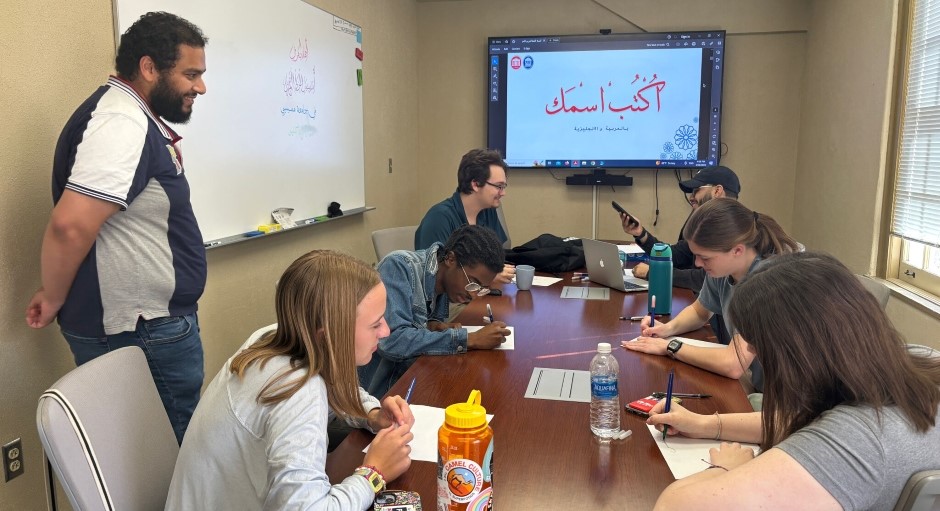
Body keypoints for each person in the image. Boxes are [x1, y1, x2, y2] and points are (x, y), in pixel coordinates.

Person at [25, 12, 209, 443]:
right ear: (149, 68)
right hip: (141, 331)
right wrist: (52, 296)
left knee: (158, 457)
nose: (200, 87)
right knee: (169, 463)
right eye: (191, 74)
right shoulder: (122, 122)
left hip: (148, 327)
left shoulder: (130, 116)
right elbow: (71, 225)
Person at [651, 252, 940, 510]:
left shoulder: (854, 441)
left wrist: (728, 470)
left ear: (794, 350)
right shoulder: (921, 360)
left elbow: (672, 505)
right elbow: (800, 419)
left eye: (756, 343)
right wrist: (705, 425)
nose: (751, 351)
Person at [166, 250, 415, 510]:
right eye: (375, 324)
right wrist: (374, 474)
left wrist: (371, 413)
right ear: (327, 336)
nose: (386, 331)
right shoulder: (297, 393)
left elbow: (336, 388)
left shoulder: (274, 336)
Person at [622, 198, 801, 392]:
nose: (698, 263)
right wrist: (667, 330)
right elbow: (700, 311)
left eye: (704, 257)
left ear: (737, 250)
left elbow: (733, 364)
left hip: (792, 400)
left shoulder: (765, 283)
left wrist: (670, 347)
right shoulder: (724, 269)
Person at [359, 225, 511, 397]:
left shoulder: (443, 283)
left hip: (415, 381)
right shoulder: (399, 266)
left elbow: (413, 326)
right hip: (379, 398)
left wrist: (432, 327)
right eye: (473, 283)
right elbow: (392, 341)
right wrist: (470, 339)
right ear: (451, 259)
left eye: (482, 288)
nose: (474, 295)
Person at [620, 165, 741, 291]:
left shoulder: (734, 230)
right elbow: (675, 255)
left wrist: (655, 273)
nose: (691, 197)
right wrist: (640, 234)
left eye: (696, 190)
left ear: (717, 191)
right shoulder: (706, 226)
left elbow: (704, 280)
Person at [415, 148, 515, 284]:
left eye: (504, 187)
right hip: (449, 302)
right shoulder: (439, 218)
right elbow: (435, 277)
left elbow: (496, 260)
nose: (503, 193)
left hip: (481, 294)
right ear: (475, 184)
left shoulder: (489, 211)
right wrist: (488, 276)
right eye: (499, 186)